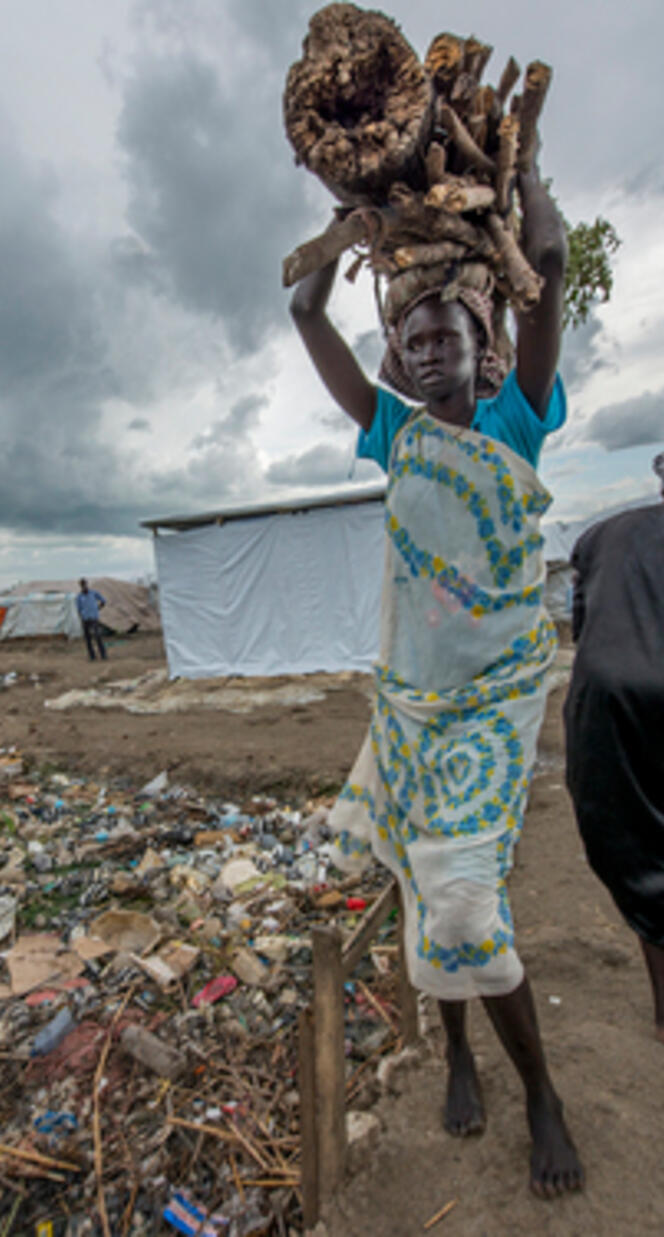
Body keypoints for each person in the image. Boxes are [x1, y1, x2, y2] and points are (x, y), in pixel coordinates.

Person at [290, 166, 583, 1197]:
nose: (426, 353)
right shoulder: (392, 434)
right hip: (412, 710)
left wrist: (528, 156)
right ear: (399, 361)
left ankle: (539, 1092)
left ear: (479, 349)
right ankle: (457, 1052)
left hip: (493, 704)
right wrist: (340, 233)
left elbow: (545, 265)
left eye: (444, 337)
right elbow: (301, 311)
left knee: (465, 906)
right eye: (411, 343)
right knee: (427, 892)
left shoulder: (516, 421)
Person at [564, 453, 664, 1042]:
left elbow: (585, 633)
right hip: (617, 699)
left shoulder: (602, 536)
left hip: (608, 706)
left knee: (641, 862)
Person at [76, 579, 107, 661]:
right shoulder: (79, 597)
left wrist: (98, 608)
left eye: (85, 584)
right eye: (82, 585)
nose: (84, 586)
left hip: (94, 618)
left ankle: (103, 655)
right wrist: (81, 618)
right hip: (85, 619)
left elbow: (103, 601)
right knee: (88, 638)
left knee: (98, 636)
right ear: (80, 586)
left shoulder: (93, 593)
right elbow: (78, 609)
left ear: (87, 584)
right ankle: (92, 656)